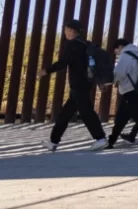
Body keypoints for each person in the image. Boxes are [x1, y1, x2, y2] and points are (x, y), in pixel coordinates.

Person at [38, 19, 108, 152]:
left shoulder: (72, 45)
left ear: (71, 31)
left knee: (86, 112)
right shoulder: (86, 45)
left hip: (78, 84)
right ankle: (53, 142)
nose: (65, 32)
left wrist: (46, 71)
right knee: (66, 113)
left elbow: (63, 62)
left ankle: (100, 138)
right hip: (86, 83)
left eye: (66, 30)